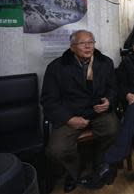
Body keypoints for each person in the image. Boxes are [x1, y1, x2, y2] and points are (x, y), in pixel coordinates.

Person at [41, 30, 119, 193]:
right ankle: (74, 172)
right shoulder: (57, 67)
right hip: (70, 115)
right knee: (56, 150)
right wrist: (69, 119)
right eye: (83, 43)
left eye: (91, 42)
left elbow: (113, 88)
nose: (88, 46)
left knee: (113, 129)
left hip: (97, 112)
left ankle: (100, 166)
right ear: (72, 47)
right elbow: (48, 101)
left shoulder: (105, 63)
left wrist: (109, 101)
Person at [87, 32, 134, 194]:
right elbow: (119, 85)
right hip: (132, 101)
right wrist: (128, 95)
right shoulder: (126, 63)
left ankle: (111, 159)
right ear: (133, 47)